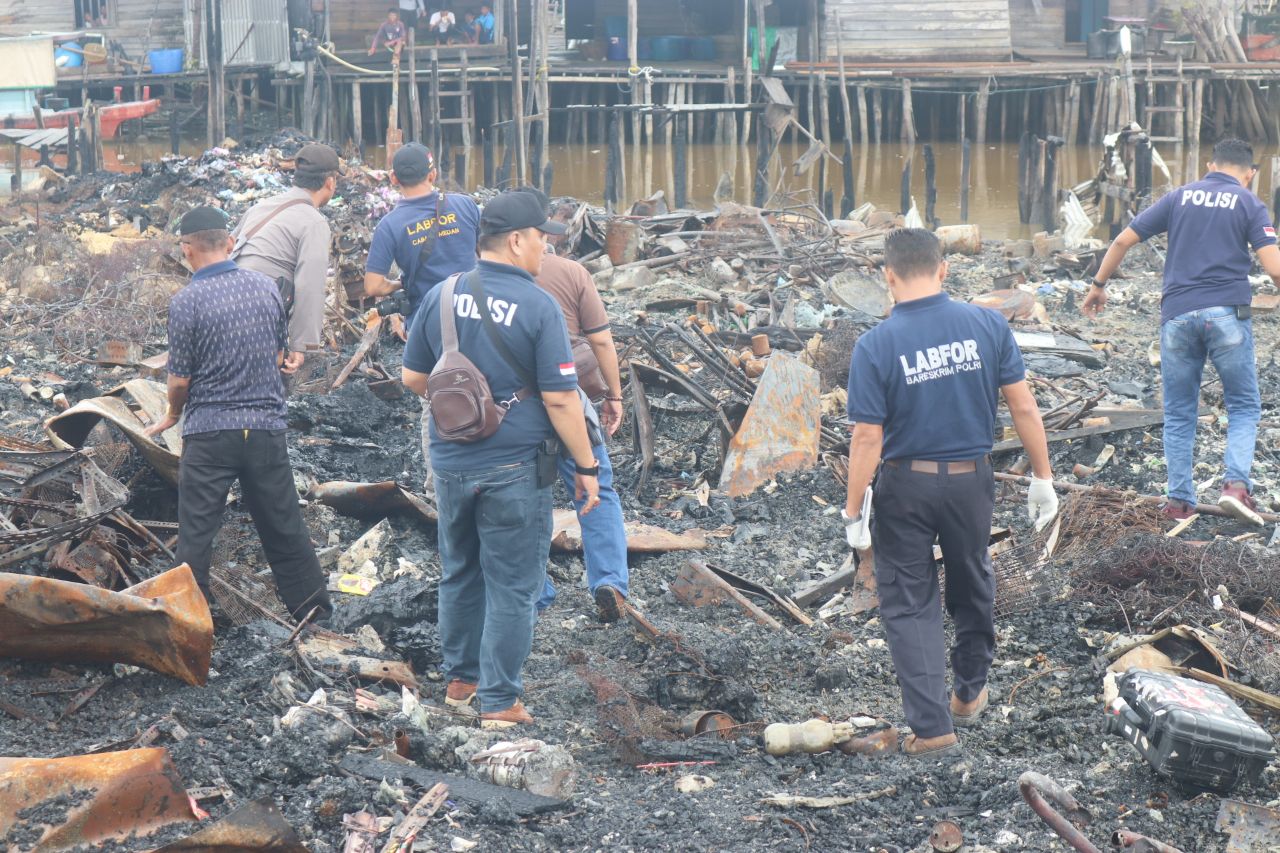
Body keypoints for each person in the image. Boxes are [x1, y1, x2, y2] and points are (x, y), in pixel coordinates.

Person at [842, 228, 1057, 758]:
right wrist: (1042, 477)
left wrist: (853, 510)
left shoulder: (876, 345)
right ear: (944, 269)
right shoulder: (986, 323)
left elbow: (867, 436)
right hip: (970, 479)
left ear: (887, 276)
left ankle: (934, 728)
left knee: (909, 600)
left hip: (906, 484)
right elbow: (1024, 408)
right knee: (971, 574)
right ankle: (970, 689)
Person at [401, 191, 601, 728]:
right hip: (515, 467)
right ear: (516, 241)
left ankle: (461, 683)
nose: (545, 249)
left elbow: (414, 378)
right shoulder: (537, 305)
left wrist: (469, 410)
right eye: (540, 238)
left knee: (461, 570)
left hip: (450, 462)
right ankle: (500, 702)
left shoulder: (443, 294)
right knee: (514, 583)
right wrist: (586, 466)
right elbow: (561, 399)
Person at [146, 207, 333, 626]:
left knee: (197, 534)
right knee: (284, 527)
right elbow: (278, 355)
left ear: (187, 249)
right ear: (230, 243)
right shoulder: (266, 288)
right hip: (265, 430)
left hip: (210, 434)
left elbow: (179, 380)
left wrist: (173, 413)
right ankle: (315, 618)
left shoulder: (187, 301)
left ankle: (189, 622)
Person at [1083, 137, 1278, 525]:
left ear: (1210, 165)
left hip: (1177, 317)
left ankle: (1178, 503)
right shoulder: (1249, 203)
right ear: (1250, 173)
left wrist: (1098, 285)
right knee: (1241, 406)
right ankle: (1235, 488)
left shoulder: (1180, 197)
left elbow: (1123, 239)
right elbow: (1273, 268)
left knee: (1179, 413)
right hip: (1226, 316)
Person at [515, 188, 629, 622]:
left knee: (529, 497)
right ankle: (609, 582)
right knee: (596, 489)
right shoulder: (571, 274)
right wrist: (613, 396)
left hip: (516, 405)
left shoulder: (481, 280)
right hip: (568, 396)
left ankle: (538, 592)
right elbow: (600, 339)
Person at [231, 143, 340, 380]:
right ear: (330, 182)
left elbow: (230, 246)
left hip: (223, 298)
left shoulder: (261, 206)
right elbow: (310, 287)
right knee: (260, 390)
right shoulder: (314, 222)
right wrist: (302, 345)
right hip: (256, 312)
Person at [364, 143, 480, 339]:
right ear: (433, 174)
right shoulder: (466, 205)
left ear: (393, 178)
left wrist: (398, 284)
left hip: (426, 322)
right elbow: (488, 255)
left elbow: (373, 286)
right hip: (474, 314)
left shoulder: (389, 225)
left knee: (431, 370)